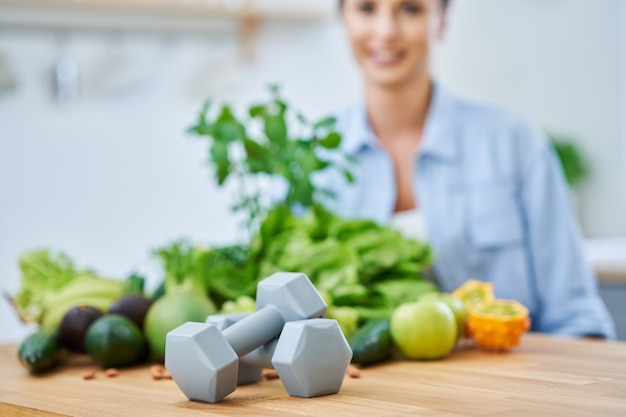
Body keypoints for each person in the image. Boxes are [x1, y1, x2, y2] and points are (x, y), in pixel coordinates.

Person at [317, 0, 616, 338]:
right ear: (343, 18)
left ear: (442, 20)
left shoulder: (513, 141)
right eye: (367, 8)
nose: (386, 32)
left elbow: (576, 315)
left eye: (411, 9)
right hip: (367, 388)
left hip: (512, 380)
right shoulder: (312, 161)